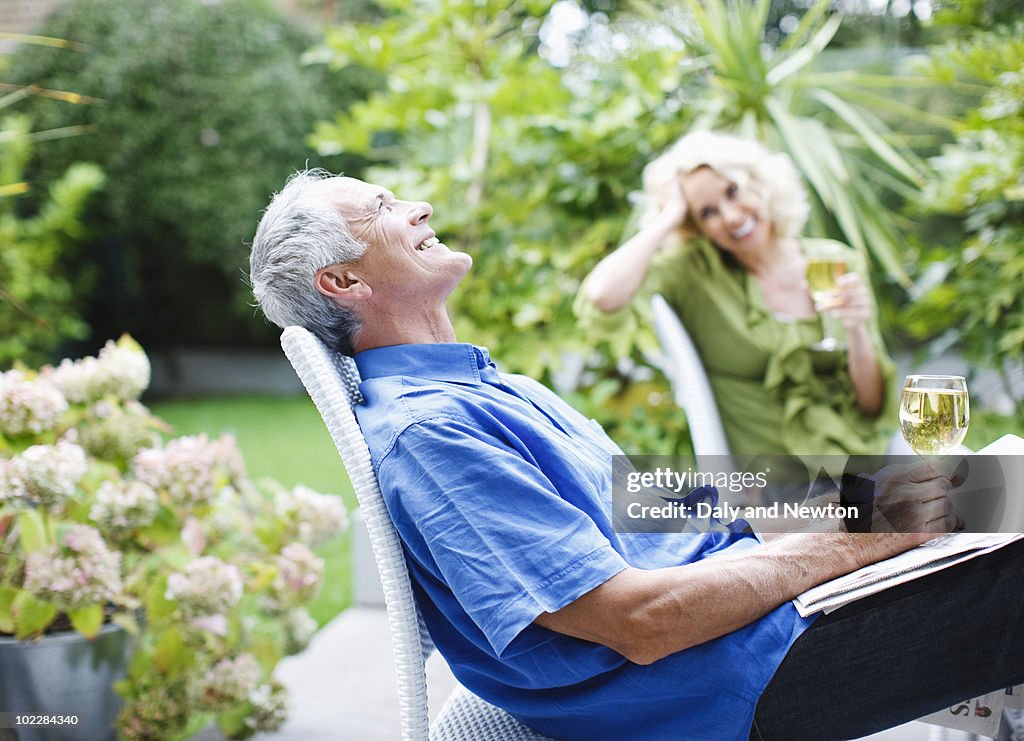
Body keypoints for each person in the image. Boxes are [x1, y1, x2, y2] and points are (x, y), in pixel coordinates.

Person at [249, 170, 1024, 741]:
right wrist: (869, 535)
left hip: (747, 610)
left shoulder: (484, 386)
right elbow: (642, 622)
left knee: (1003, 485)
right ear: (344, 279)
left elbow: (660, 497)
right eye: (381, 208)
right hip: (735, 675)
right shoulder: (431, 437)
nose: (415, 204)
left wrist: (860, 497)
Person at [576, 131, 897, 458]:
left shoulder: (835, 261)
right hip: (780, 487)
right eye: (707, 213)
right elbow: (602, 295)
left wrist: (856, 329)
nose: (730, 217)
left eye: (732, 191)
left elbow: (870, 405)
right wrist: (668, 216)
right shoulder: (693, 273)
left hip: (862, 457)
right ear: (696, 227)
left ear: (761, 184)